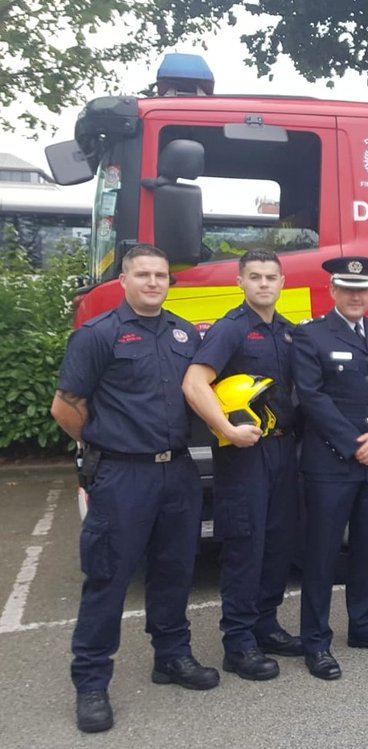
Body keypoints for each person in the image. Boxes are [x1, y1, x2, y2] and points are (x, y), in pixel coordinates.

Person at [51, 245, 217, 734]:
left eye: (161, 275)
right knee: (108, 577)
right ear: (123, 280)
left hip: (178, 473)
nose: (153, 282)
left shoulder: (186, 332)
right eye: (142, 274)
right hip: (123, 476)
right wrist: (102, 446)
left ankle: (172, 657)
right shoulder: (97, 336)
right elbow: (66, 407)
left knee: (174, 570)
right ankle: (91, 682)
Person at [181, 249, 301, 682]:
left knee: (277, 542)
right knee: (245, 544)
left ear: (282, 282)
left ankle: (266, 626)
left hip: (284, 451)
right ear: (240, 282)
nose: (264, 284)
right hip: (244, 455)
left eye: (271, 276)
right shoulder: (231, 329)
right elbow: (195, 383)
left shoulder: (287, 332)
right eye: (255, 277)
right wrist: (226, 431)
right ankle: (239, 642)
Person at [291, 256, 368, 679]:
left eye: (364, 289)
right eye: (349, 289)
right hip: (330, 462)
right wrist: (352, 442)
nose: (357, 296)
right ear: (333, 292)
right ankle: (316, 641)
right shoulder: (311, 336)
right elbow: (311, 396)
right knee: (321, 555)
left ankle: (362, 625)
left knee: (367, 549)